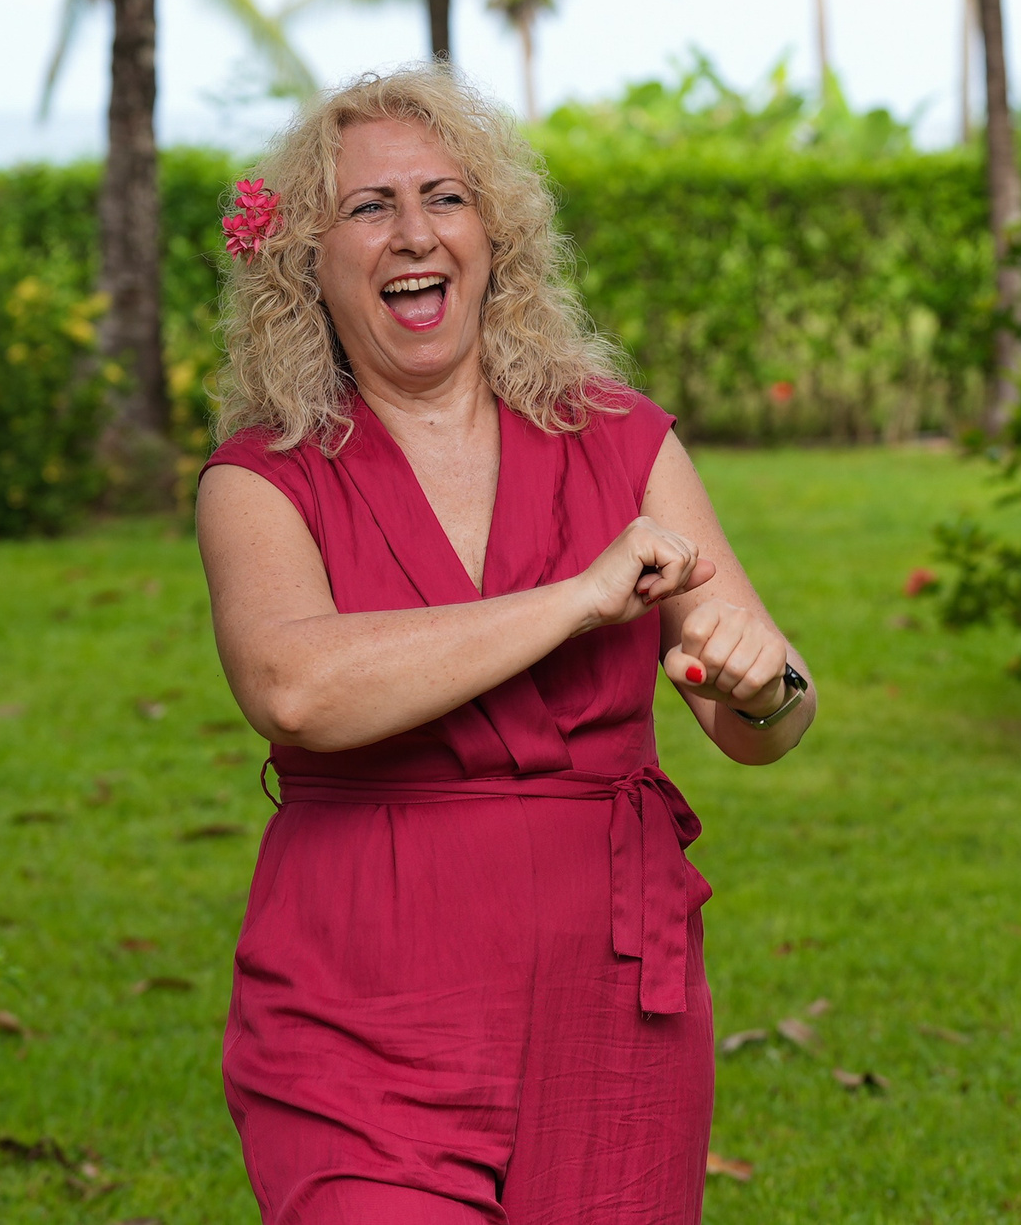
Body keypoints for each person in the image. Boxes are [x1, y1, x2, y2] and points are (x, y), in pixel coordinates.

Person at [194, 65, 817, 1225]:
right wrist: (575, 600)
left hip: (613, 1005)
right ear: (306, 262)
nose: (413, 233)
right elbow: (298, 691)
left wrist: (762, 685)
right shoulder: (260, 481)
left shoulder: (621, 441)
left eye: (445, 197)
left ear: (495, 235)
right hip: (359, 1005)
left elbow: (764, 716)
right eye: (368, 207)